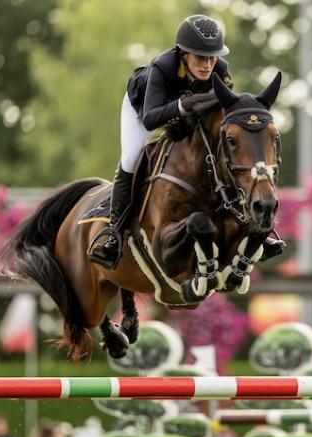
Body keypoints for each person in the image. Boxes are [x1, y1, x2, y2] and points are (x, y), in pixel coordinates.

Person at [88, 14, 285, 269]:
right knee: (130, 158)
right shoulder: (162, 67)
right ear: (183, 54)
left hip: (187, 115)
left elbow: (224, 112)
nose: (207, 65)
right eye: (200, 58)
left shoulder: (220, 69)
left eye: (212, 57)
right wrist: (183, 104)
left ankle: (248, 227)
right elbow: (151, 119)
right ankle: (113, 233)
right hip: (142, 109)